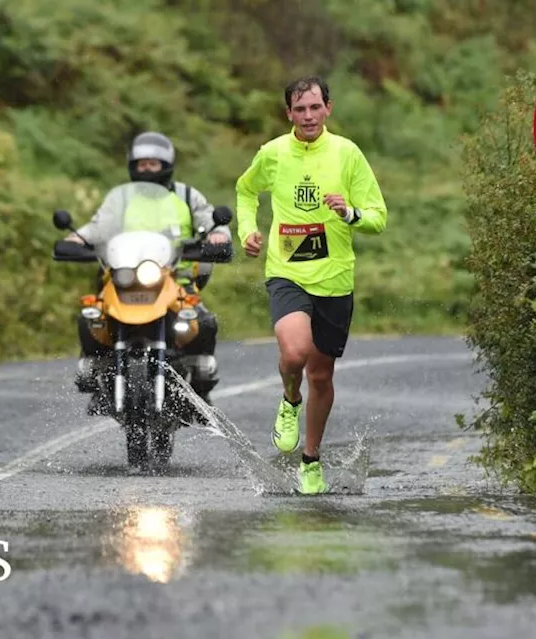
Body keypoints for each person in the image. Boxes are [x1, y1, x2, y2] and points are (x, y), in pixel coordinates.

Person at [234, 76, 388, 495]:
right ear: (289, 114)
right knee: (294, 351)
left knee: (321, 375)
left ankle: (311, 458)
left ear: (328, 109)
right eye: (299, 109)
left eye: (314, 108)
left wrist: (350, 212)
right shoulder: (273, 154)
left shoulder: (347, 154)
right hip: (287, 272)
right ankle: (289, 399)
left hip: (335, 279)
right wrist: (246, 230)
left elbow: (378, 217)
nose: (307, 116)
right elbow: (245, 190)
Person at [65, 131, 230, 409]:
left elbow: (211, 221)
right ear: (132, 165)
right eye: (142, 164)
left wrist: (218, 235)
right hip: (125, 276)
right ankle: (96, 369)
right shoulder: (121, 200)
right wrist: (77, 238)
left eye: (153, 163)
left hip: (177, 276)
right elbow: (99, 226)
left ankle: (200, 382)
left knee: (202, 322)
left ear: (166, 164)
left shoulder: (187, 196)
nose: (147, 169)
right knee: (91, 316)